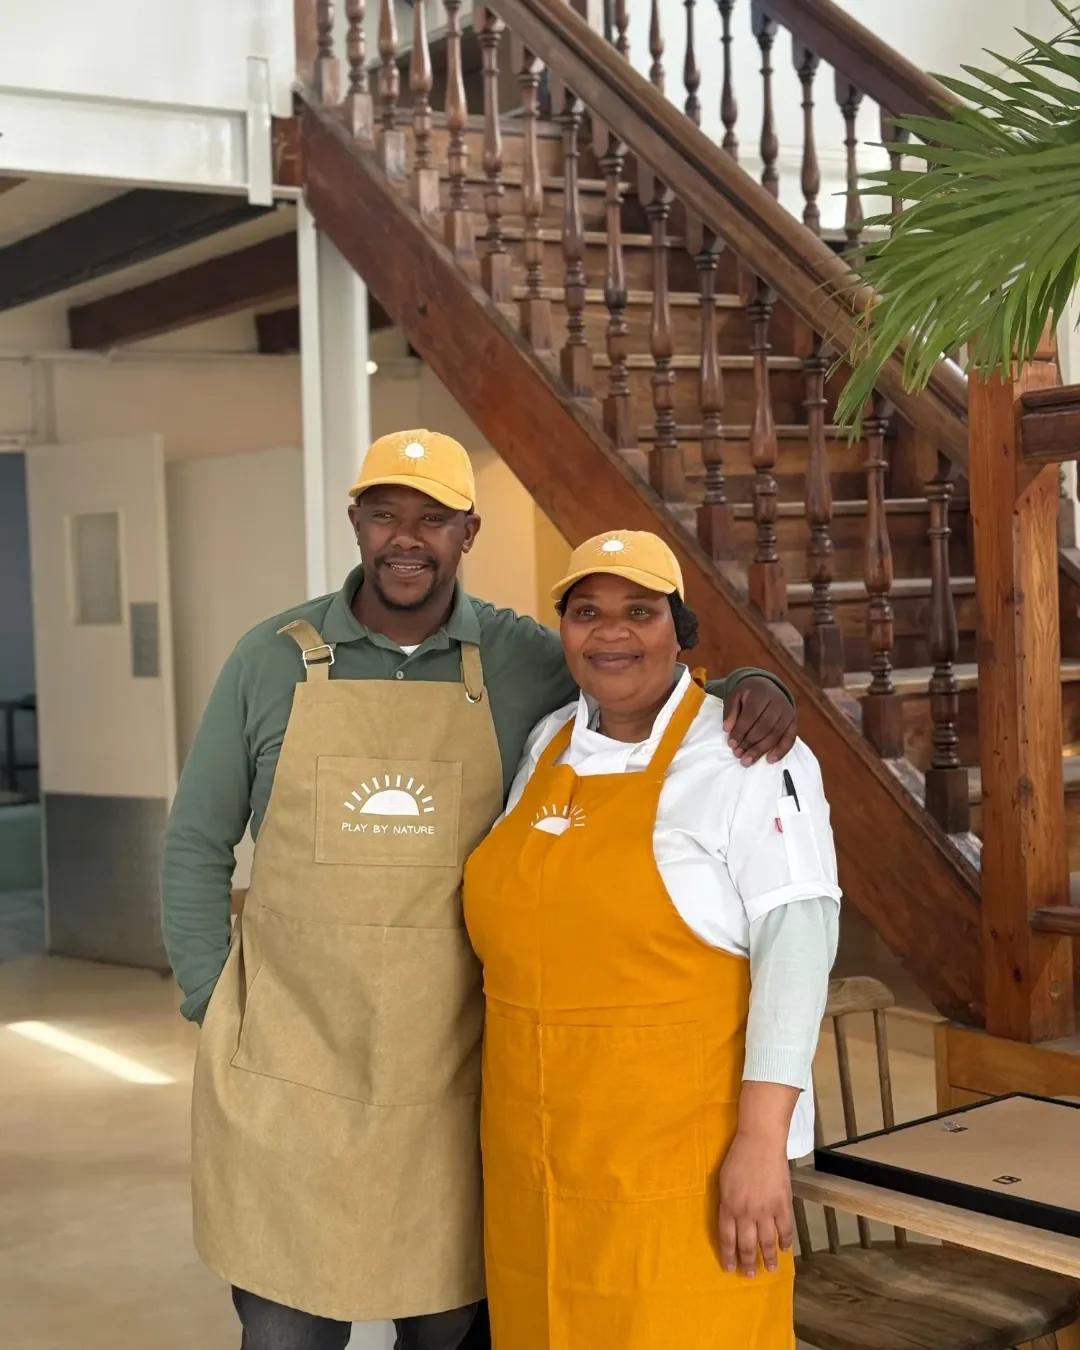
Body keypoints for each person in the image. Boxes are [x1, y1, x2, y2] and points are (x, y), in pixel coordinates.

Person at [161, 431, 800, 1350]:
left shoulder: (522, 657)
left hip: (450, 1084)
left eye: (433, 519)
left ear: (469, 532)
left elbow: (634, 673)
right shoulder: (269, 659)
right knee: (284, 1332)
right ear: (356, 523)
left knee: (448, 1330)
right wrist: (211, 997)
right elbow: (195, 841)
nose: (406, 538)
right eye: (386, 515)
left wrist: (751, 683)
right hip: (290, 1077)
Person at [463, 529, 841, 1350]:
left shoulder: (747, 757)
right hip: (536, 1163)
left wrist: (762, 1144)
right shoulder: (547, 742)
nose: (611, 633)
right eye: (587, 612)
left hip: (679, 1169)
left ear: (680, 629)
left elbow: (797, 953)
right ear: (563, 631)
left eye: (639, 611)